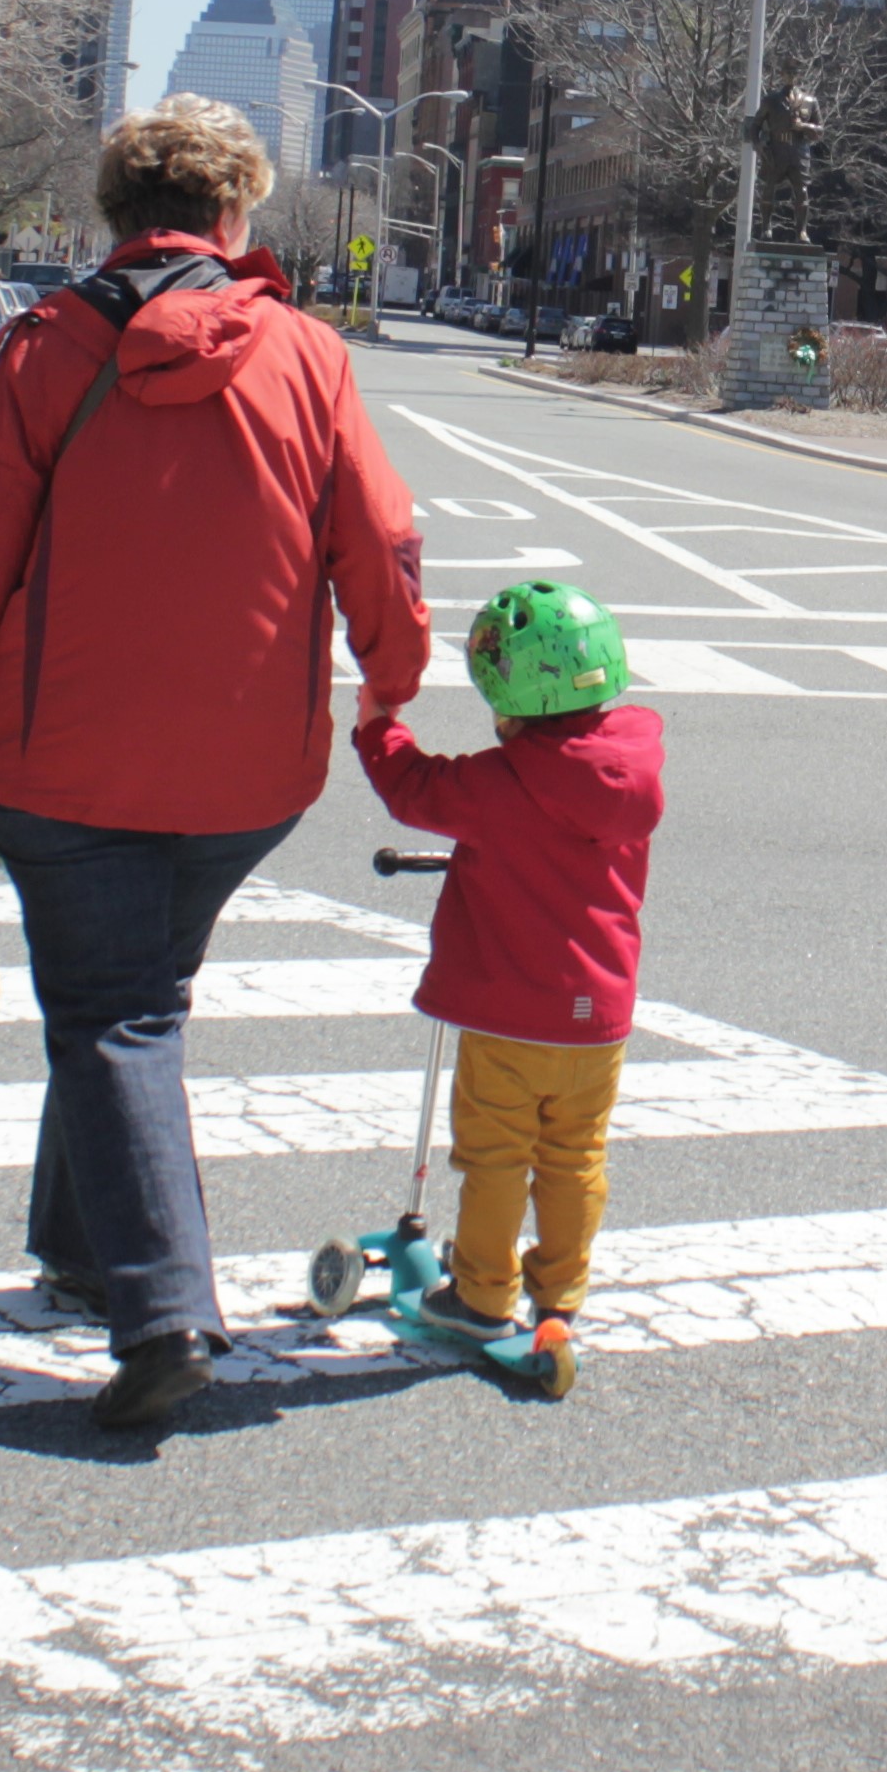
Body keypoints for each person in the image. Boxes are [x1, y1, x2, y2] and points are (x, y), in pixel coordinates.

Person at [0, 94, 433, 1434]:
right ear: (233, 216)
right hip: (248, 774)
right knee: (129, 990)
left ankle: (164, 1308)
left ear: (116, 214)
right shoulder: (305, 354)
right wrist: (387, 688)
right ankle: (76, 1248)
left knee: (115, 1009)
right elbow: (381, 539)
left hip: (56, 764)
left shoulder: (47, 350)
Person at [356, 581, 663, 1358]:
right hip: (600, 1018)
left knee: (495, 1155)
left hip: (510, 1017)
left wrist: (377, 728)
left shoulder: (502, 783)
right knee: (574, 1156)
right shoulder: (631, 769)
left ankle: (483, 1293)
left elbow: (414, 788)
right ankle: (558, 1291)